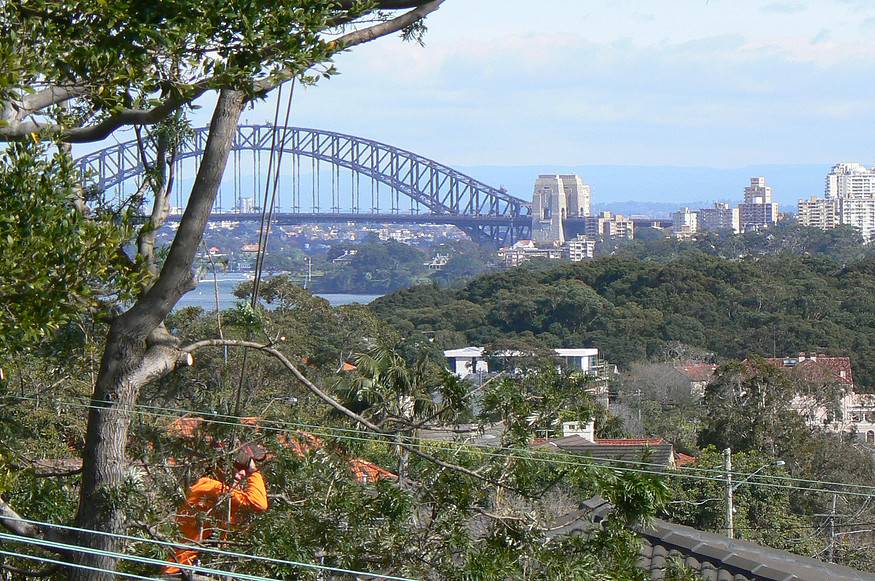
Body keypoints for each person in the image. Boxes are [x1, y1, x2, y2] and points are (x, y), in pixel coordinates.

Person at [162, 444, 269, 576]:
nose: (243, 473)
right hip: (180, 572)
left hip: (198, 571)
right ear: (222, 467)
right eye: (238, 467)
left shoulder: (219, 493)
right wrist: (253, 471)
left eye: (245, 470)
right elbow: (259, 504)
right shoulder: (210, 488)